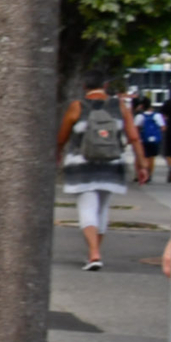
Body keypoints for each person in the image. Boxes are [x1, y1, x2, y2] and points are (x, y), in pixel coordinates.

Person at [57, 76, 148, 270]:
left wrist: (56, 155)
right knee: (102, 209)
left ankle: (94, 254)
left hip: (82, 165)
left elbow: (62, 137)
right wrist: (142, 165)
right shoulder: (119, 106)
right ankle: (95, 252)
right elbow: (133, 137)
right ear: (105, 86)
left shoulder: (77, 106)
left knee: (87, 208)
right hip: (112, 165)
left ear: (84, 86)